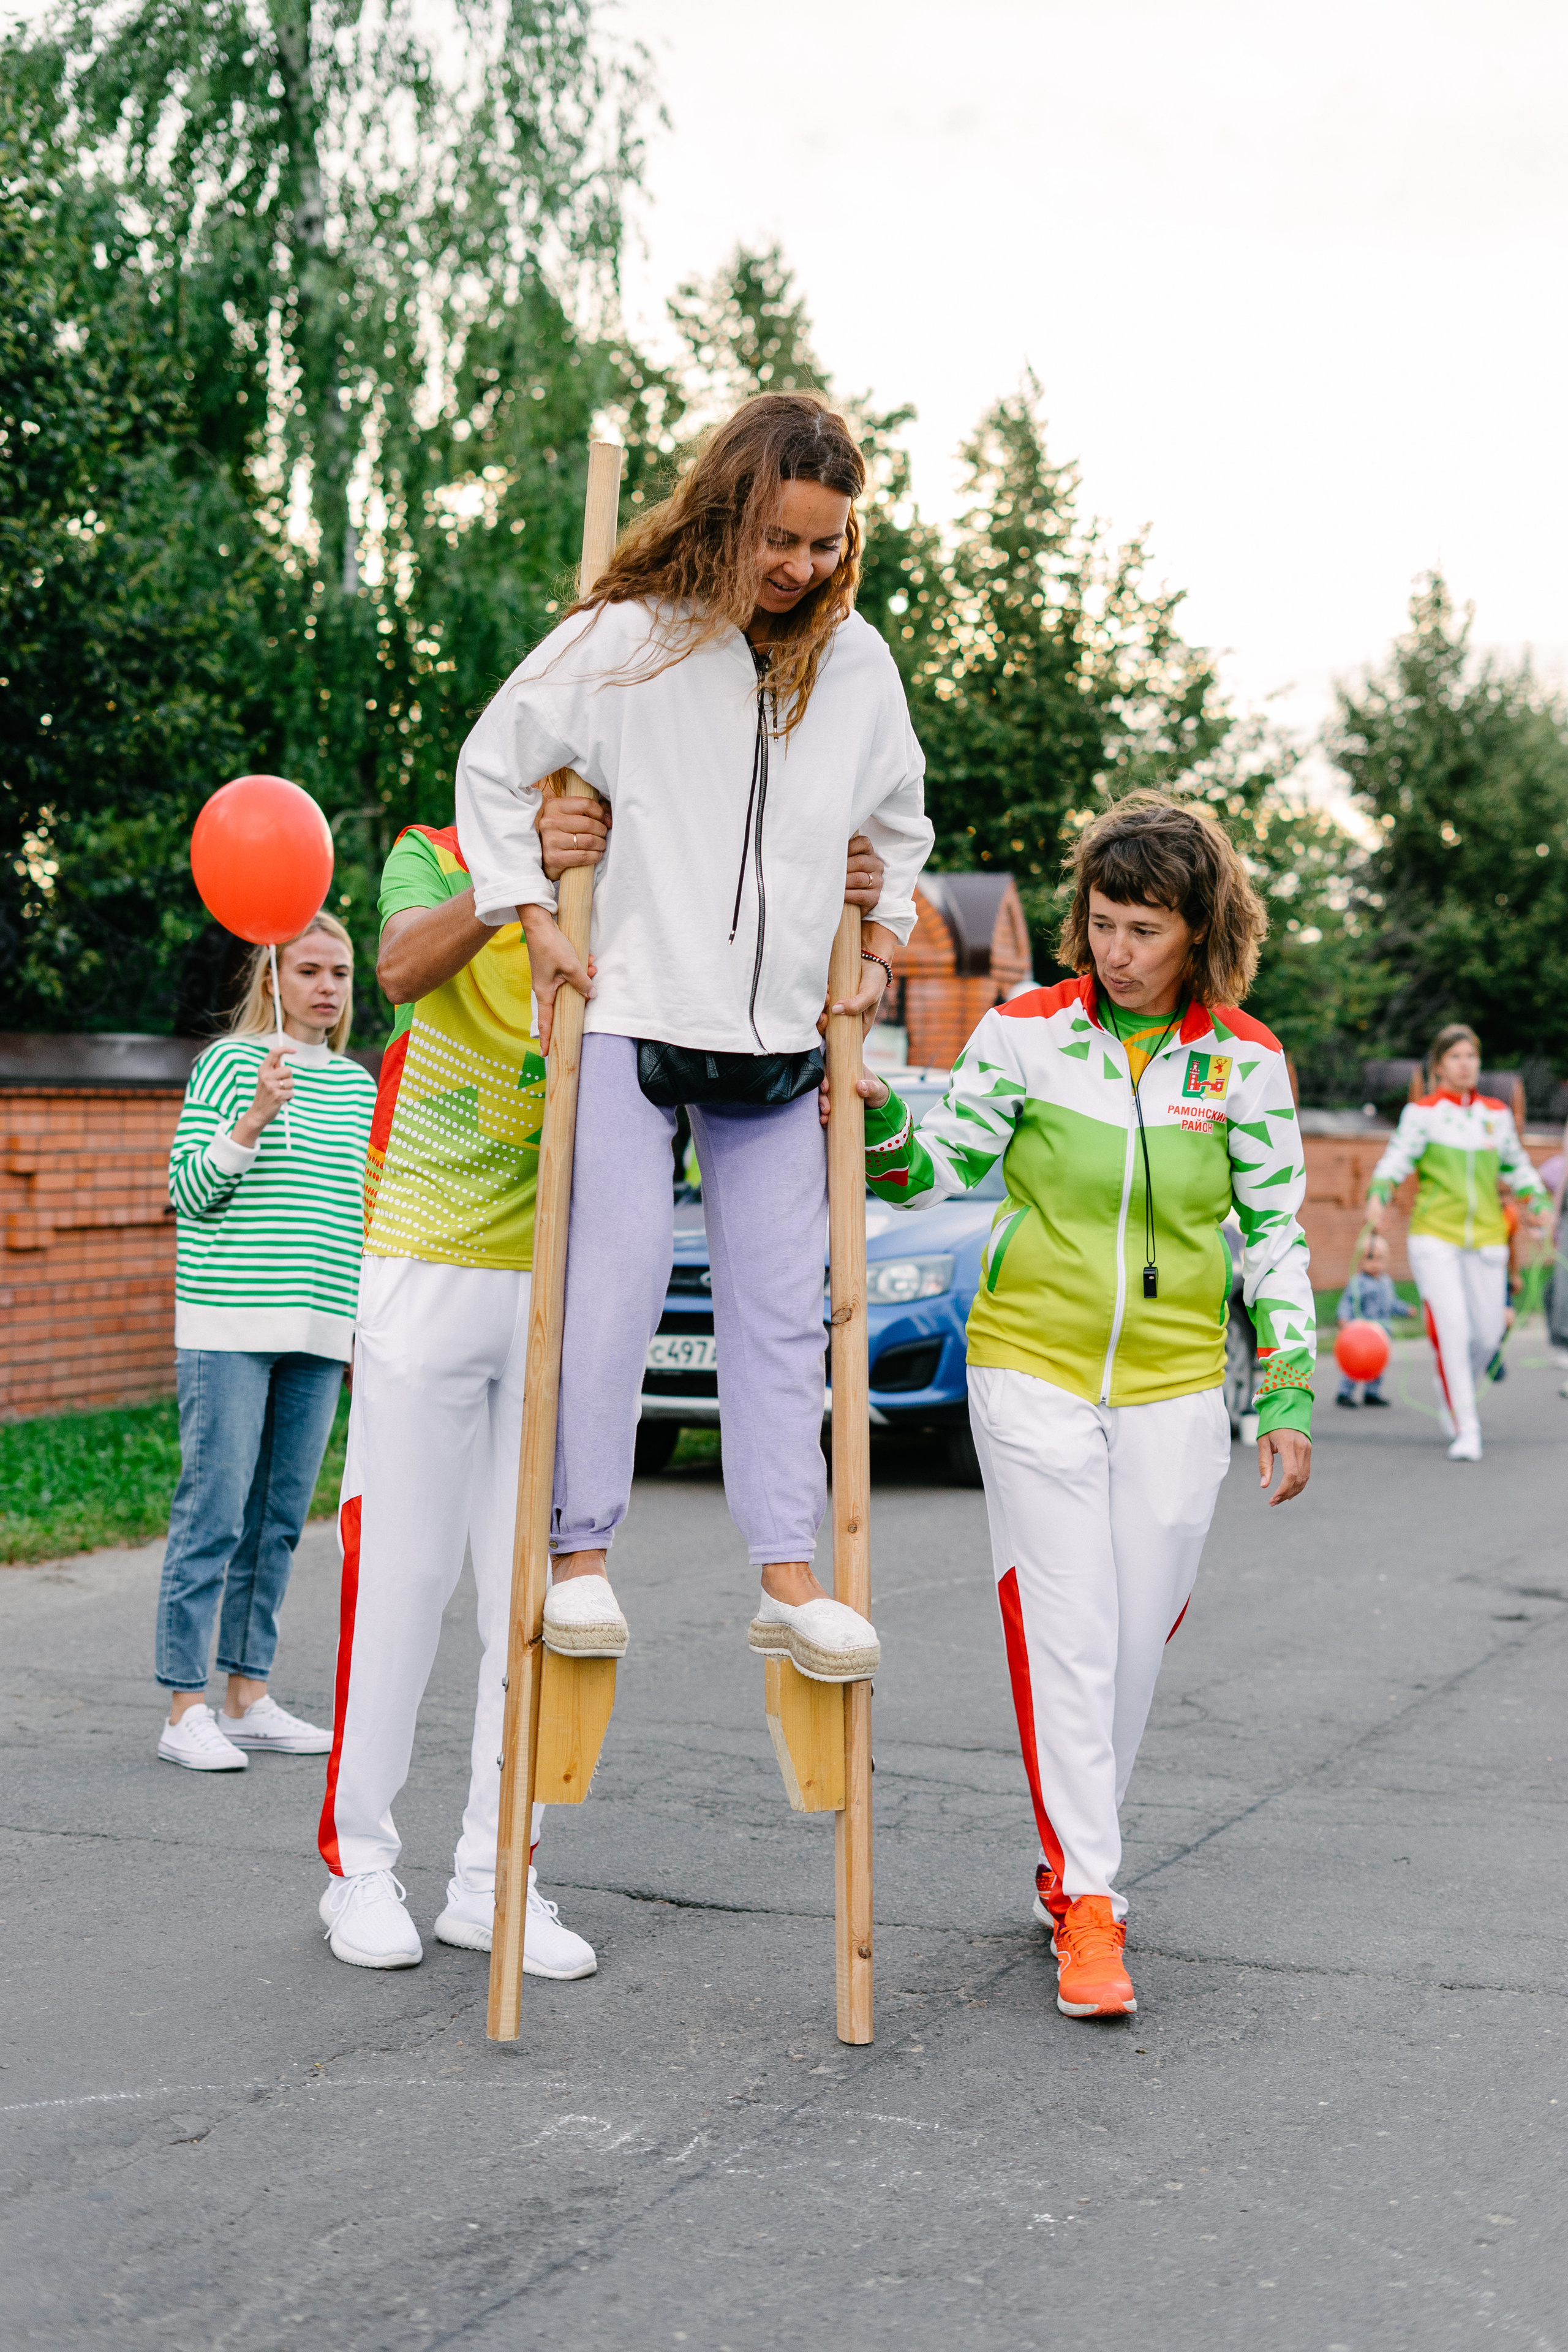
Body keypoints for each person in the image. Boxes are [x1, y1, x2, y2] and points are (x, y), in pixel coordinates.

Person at [312, 782, 894, 1969]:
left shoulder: (637, 864)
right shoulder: (435, 851)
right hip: (425, 1263)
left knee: (533, 1606)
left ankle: (495, 1873)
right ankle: (359, 1867)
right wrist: (514, 879)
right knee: (402, 1585)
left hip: (558, 1279)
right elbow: (400, 971)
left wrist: (849, 898)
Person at [455, 391, 932, 1684]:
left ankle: (788, 1574)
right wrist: (527, 913)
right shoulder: (623, 640)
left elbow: (899, 821)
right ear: (730, 510)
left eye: (828, 546)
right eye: (782, 538)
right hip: (632, 1008)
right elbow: (495, 763)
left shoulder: (859, 665)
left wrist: (880, 941)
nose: (802, 567)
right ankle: (579, 1555)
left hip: (781, 1029)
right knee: (604, 1289)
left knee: (781, 1312)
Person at [840, 793, 1314, 2020]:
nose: (1113, 950)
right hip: (1027, 1365)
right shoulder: (1024, 1034)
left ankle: (1068, 1856)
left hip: (1170, 1383)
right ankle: (1091, 1908)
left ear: (1198, 931)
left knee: (1131, 1630)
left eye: (1142, 929)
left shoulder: (1244, 1061)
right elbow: (938, 1165)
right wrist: (884, 1117)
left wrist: (1287, 1388)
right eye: (1100, 922)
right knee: (1067, 1627)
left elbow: (1271, 1234)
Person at [156, 915, 374, 1770]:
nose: (327, 986)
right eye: (310, 970)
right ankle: (184, 1710)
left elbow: (357, 1216)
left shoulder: (357, 1087)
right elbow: (188, 1192)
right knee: (212, 1514)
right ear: (273, 980)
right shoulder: (228, 1064)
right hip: (229, 1327)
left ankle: (246, 1695)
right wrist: (251, 1118)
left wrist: (361, 1327)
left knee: (279, 1521)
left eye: (342, 973)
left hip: (320, 1330)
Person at [1364, 1024, 1547, 1461]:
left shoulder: (1496, 1115)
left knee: (1487, 1334)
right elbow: (1395, 1160)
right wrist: (1379, 1193)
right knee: (1453, 1328)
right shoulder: (1423, 1114)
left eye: (1473, 1057)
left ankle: (1449, 1384)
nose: (1468, 1065)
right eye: (1458, 1057)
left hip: (1487, 1239)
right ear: (1439, 1065)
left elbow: (1518, 1167)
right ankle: (1468, 1428)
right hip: (1435, 1238)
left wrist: (1535, 1197)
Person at [1334, 1232, 1413, 1408]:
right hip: (1361, 1335)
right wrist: (1344, 1318)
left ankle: (1372, 1393)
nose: (1375, 1264)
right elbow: (1348, 1301)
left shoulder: (1386, 1282)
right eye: (1370, 1259)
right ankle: (1344, 1393)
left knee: (1377, 1364)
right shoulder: (1358, 1282)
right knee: (1356, 1362)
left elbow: (1391, 1303)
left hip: (1381, 1335)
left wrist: (1405, 1310)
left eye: (1380, 1259)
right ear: (1360, 1261)